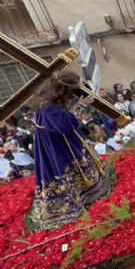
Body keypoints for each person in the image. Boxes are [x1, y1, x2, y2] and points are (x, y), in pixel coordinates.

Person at [29, 70, 109, 228]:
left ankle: (89, 188)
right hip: (56, 142)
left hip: (60, 138)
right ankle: (69, 203)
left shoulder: (49, 95)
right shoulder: (46, 106)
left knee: (80, 160)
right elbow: (64, 125)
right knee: (64, 168)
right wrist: (81, 105)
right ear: (63, 89)